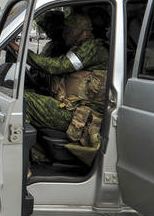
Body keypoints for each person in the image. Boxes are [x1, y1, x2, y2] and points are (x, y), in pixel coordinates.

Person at [23, 14, 109, 154]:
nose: (64, 34)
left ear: (82, 32)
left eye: (68, 30)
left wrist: (21, 52)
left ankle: (21, 160)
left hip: (82, 114)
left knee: (23, 101)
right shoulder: (79, 47)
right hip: (74, 107)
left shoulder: (93, 49)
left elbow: (59, 66)